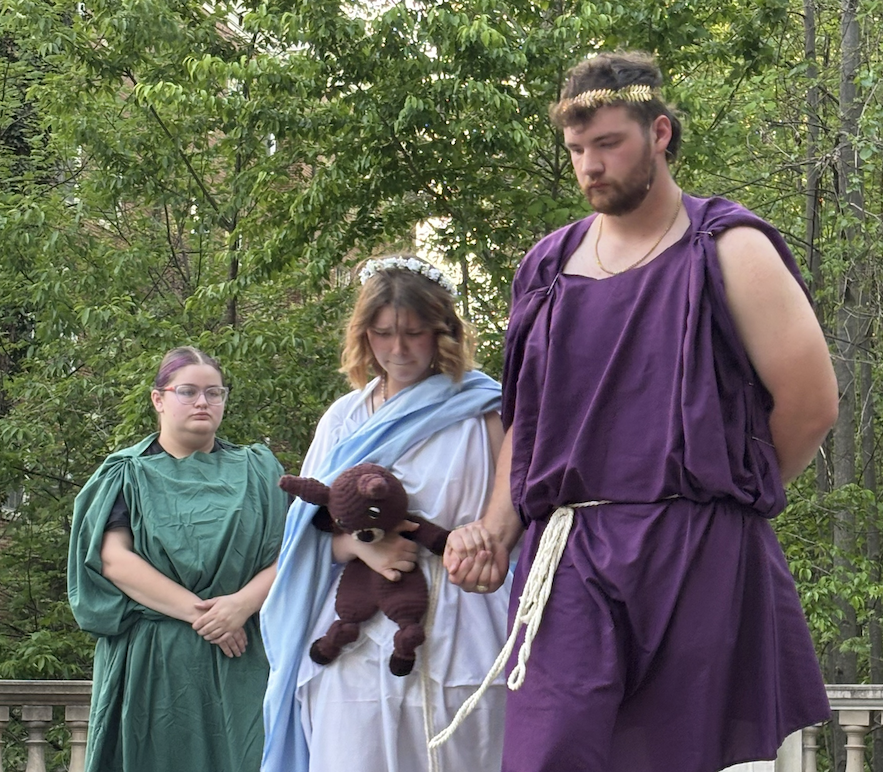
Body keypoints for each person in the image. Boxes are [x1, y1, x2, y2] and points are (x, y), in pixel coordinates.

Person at [443, 51, 839, 772]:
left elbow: (811, 405)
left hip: (694, 552)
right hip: (568, 556)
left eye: (608, 144)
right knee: (548, 753)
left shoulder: (729, 248)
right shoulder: (545, 268)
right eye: (576, 150)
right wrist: (497, 531)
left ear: (659, 133)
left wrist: (720, 497)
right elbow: (528, 426)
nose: (589, 166)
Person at [260, 254, 508, 772]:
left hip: (459, 624)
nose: (398, 349)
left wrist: (478, 541)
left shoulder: (484, 412)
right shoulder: (345, 418)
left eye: (414, 333)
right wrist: (359, 546)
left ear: (443, 331)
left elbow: (516, 520)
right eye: (383, 333)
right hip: (351, 634)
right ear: (363, 334)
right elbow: (306, 531)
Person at [67, 346, 287, 772]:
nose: (203, 402)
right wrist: (206, 616)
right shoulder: (126, 473)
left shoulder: (259, 471)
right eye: (188, 391)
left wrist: (240, 605)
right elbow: (113, 560)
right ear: (159, 399)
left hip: (242, 659)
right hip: (153, 663)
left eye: (214, 392)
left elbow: (294, 554)